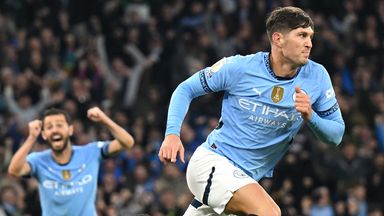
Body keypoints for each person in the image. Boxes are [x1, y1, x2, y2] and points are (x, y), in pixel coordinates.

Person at [158, 6, 345, 216]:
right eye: (301, 35)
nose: (309, 43)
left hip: (243, 179)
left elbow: (336, 135)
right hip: (213, 163)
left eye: (310, 36)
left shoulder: (317, 76)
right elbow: (186, 88)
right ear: (278, 39)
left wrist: (311, 116)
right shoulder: (240, 67)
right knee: (270, 213)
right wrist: (172, 134)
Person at [8, 107, 134, 216]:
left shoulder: (90, 152)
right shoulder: (38, 160)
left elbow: (127, 142)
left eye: (59, 125)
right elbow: (14, 170)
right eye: (49, 127)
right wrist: (31, 138)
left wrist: (104, 119)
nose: (55, 130)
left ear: (70, 130)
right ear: (44, 134)